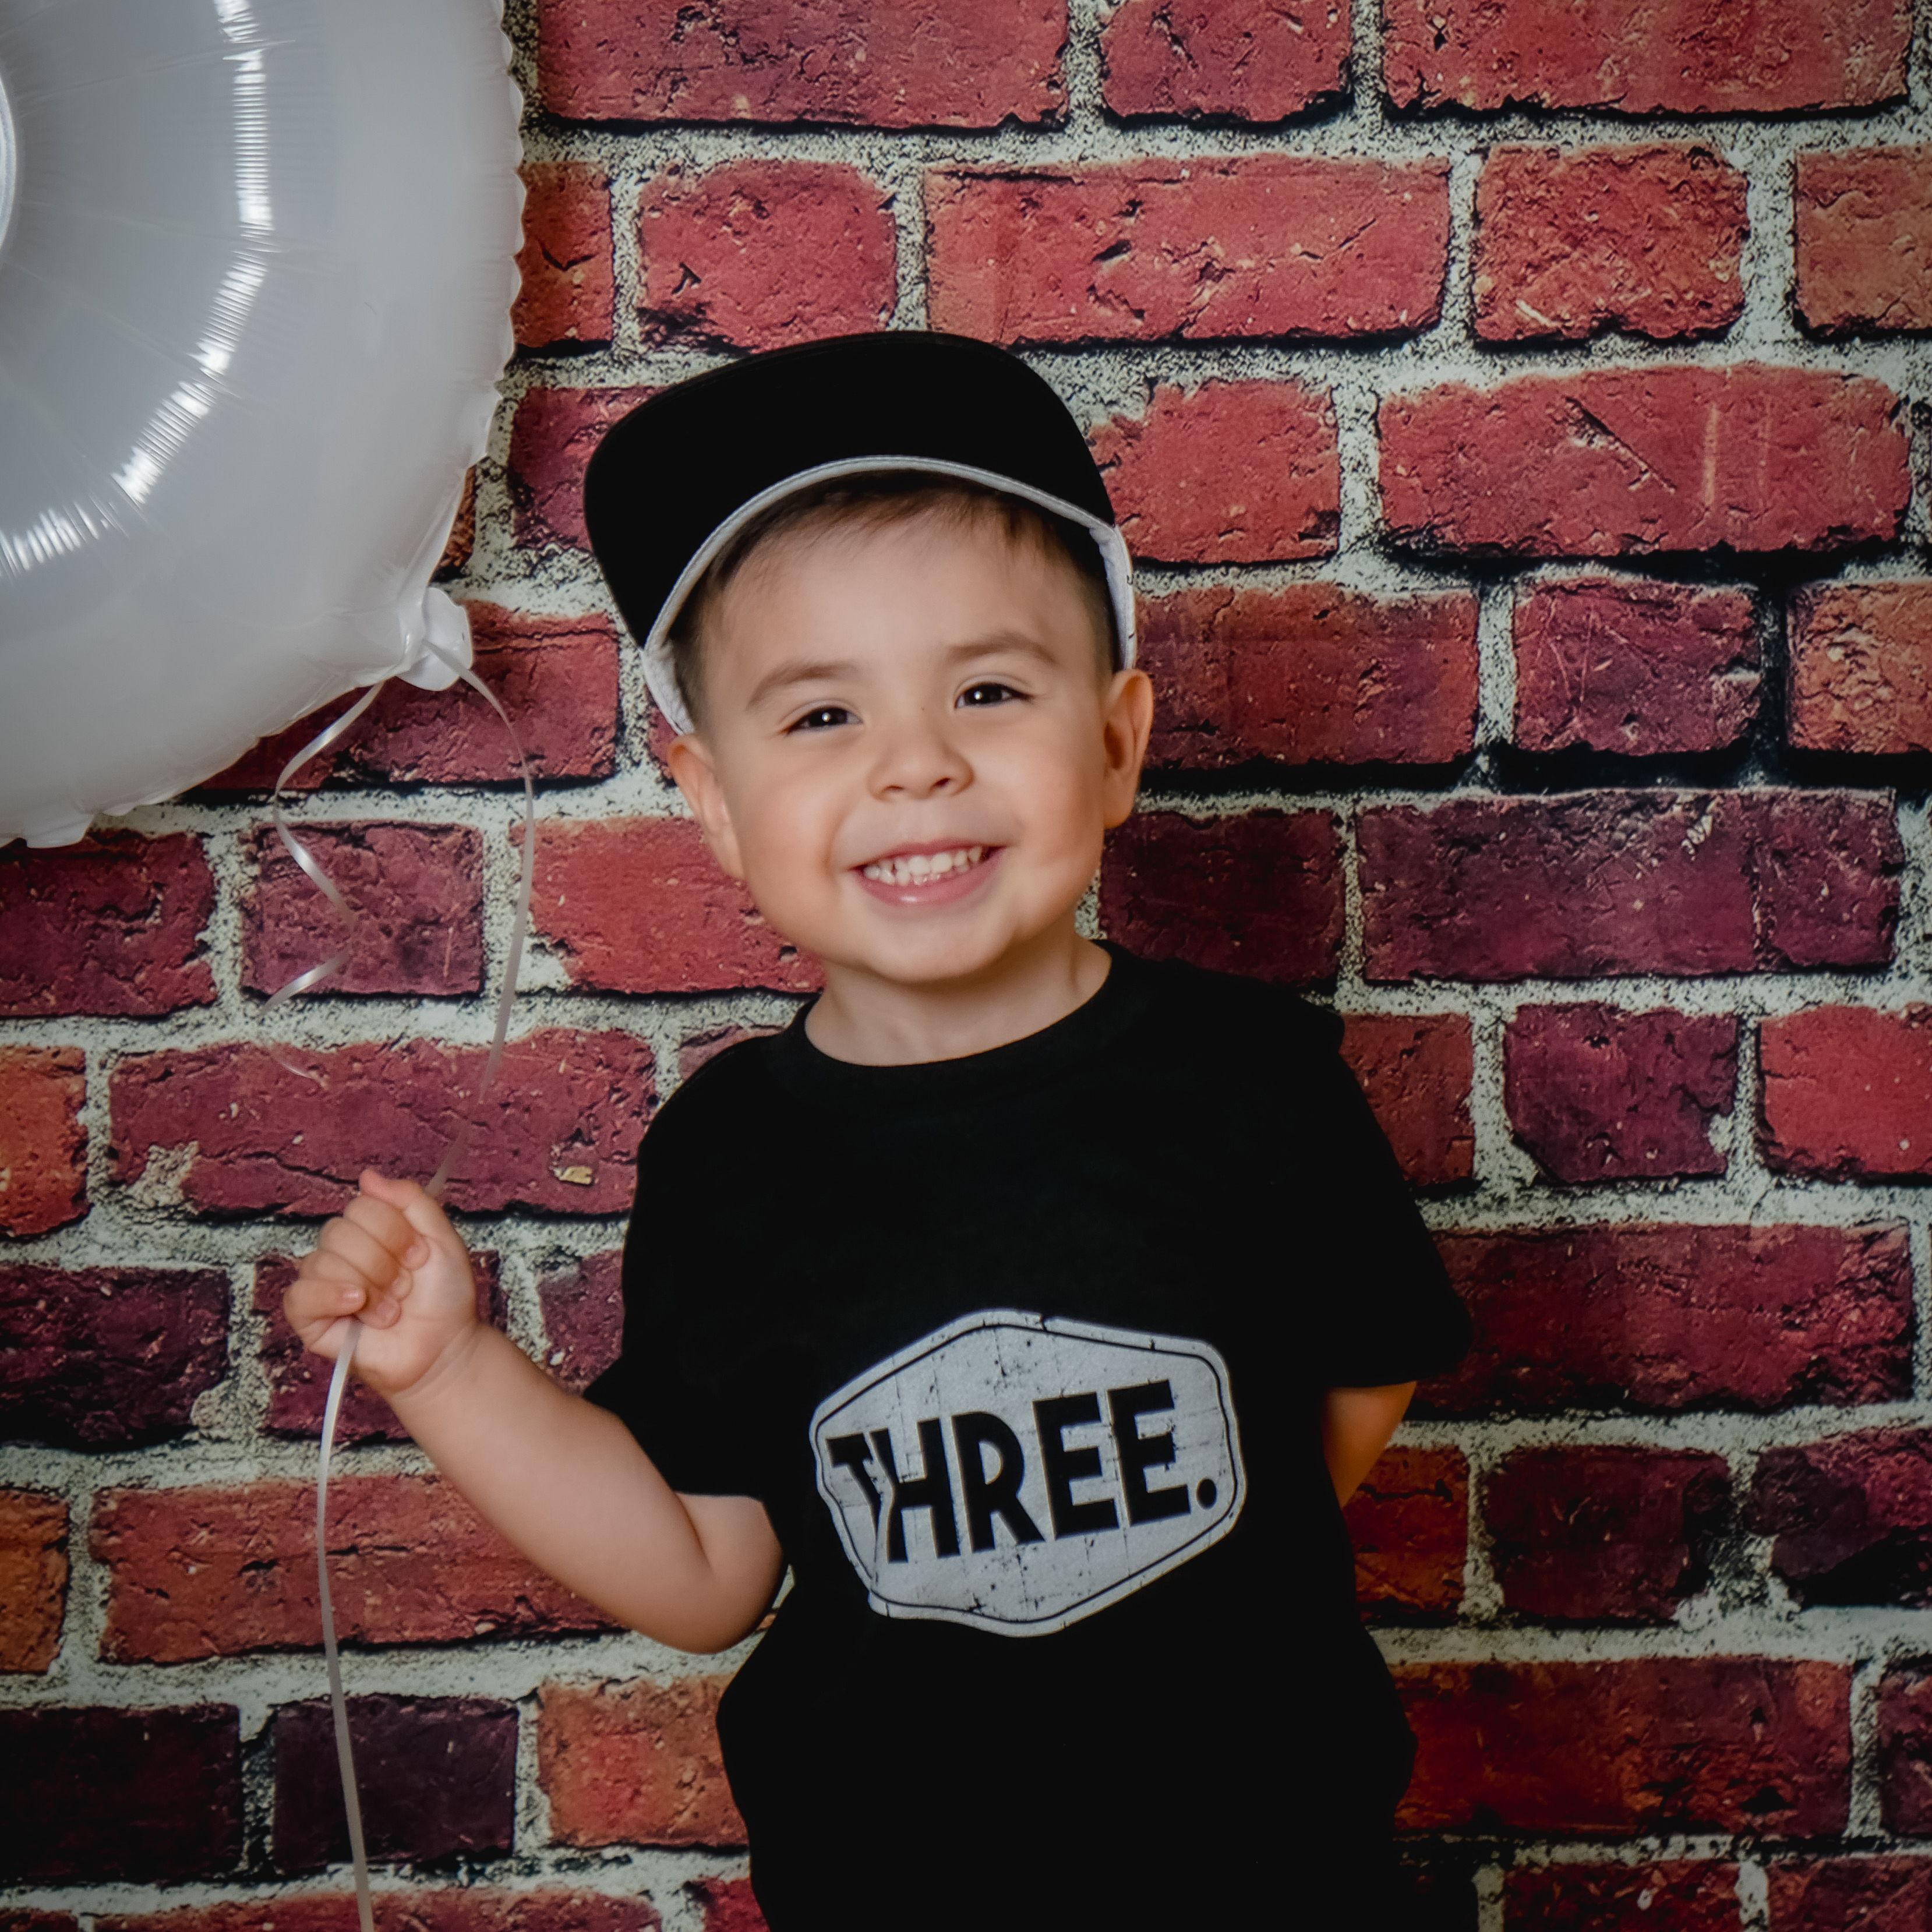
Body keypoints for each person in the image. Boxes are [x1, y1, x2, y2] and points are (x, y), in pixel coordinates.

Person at [283, 330, 1475, 1929]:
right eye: (822, 716)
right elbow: (703, 1571)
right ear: (714, 802)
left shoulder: (1254, 1080)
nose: (916, 764)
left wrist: (1202, 1578)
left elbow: (1357, 1373)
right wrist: (449, 1372)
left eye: (987, 690)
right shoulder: (727, 1165)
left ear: (1113, 743)